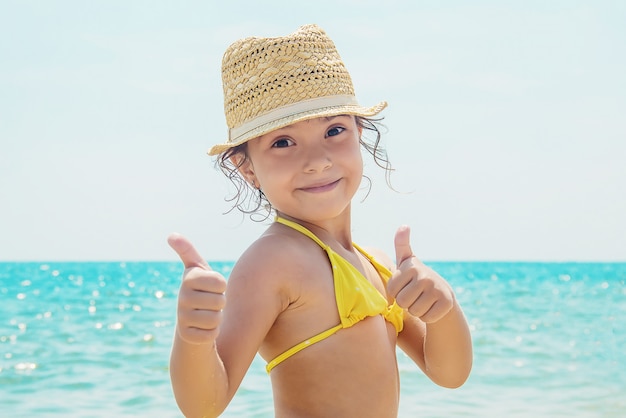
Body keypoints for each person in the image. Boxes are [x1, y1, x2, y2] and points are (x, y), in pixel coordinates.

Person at [168, 24, 472, 418]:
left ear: (359, 133)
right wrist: (193, 338)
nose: (318, 160)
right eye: (283, 142)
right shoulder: (273, 262)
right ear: (246, 168)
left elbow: (449, 374)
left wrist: (444, 309)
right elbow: (204, 405)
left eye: (334, 130)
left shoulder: (375, 263)